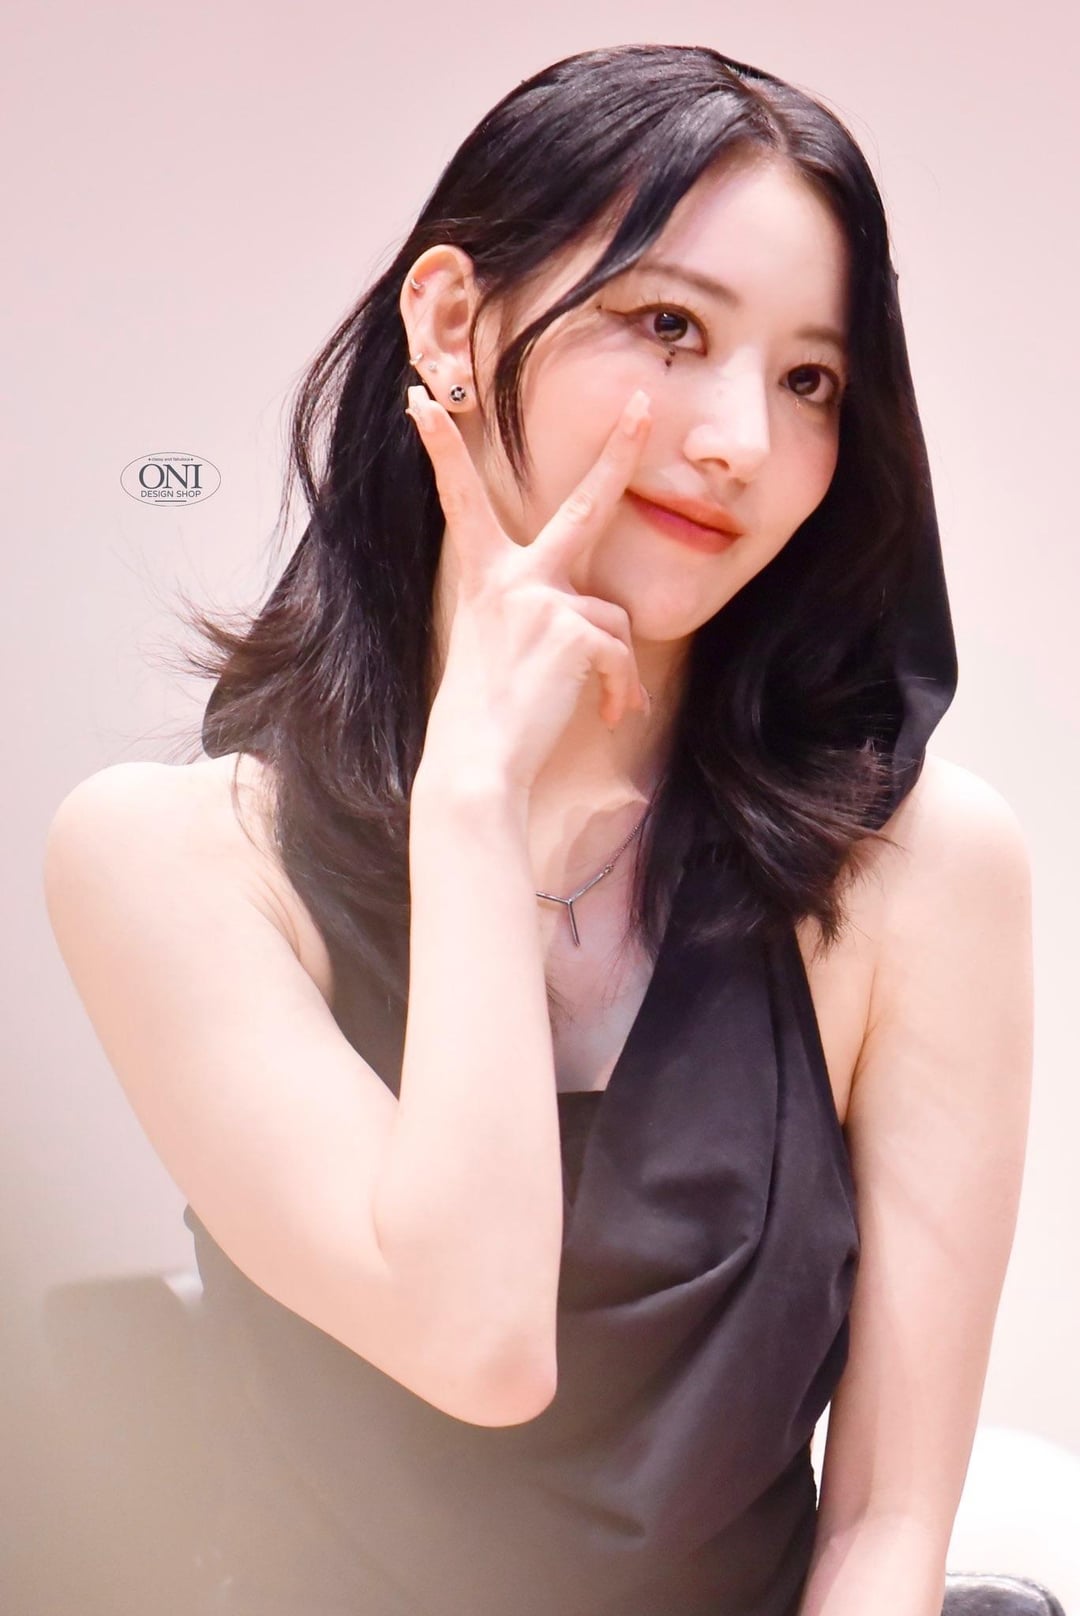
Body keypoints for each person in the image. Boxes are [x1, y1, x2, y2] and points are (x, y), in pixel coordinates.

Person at [42, 41, 1033, 1616]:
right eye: (671, 326)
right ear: (451, 321)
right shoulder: (167, 860)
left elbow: (884, 1526)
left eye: (810, 380)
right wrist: (475, 802)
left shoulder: (920, 873)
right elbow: (480, 1343)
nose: (740, 439)